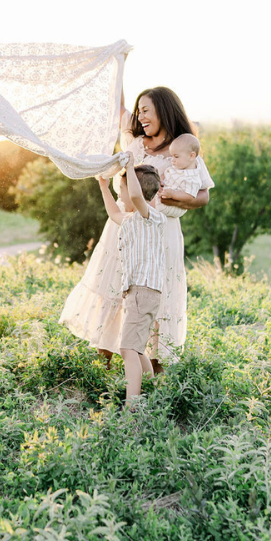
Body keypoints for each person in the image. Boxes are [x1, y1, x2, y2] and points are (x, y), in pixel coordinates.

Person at [60, 87, 214, 369]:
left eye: (146, 110)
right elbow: (120, 112)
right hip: (124, 227)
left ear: (164, 110)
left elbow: (203, 195)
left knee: (154, 293)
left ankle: (153, 369)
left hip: (161, 231)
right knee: (115, 286)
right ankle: (103, 364)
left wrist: (175, 198)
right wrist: (119, 62)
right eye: (139, 110)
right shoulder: (135, 142)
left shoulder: (183, 150)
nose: (140, 117)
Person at [97, 156, 166, 404]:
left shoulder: (152, 217)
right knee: (135, 349)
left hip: (143, 291)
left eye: (122, 189)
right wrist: (104, 186)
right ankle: (157, 393)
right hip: (139, 293)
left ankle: (132, 407)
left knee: (127, 350)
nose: (122, 195)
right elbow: (114, 212)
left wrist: (129, 166)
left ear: (136, 190)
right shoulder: (130, 221)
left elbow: (136, 198)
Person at [156, 134, 203, 218]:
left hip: (173, 206)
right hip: (164, 196)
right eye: (172, 156)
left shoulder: (192, 178)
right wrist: (161, 180)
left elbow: (189, 196)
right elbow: (167, 173)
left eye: (176, 156)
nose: (172, 160)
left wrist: (173, 194)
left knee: (144, 199)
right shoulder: (177, 167)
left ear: (191, 156)